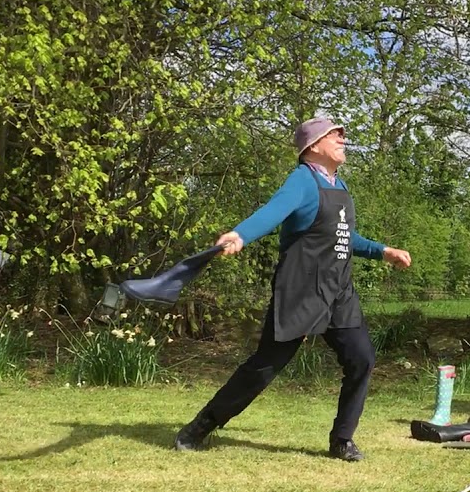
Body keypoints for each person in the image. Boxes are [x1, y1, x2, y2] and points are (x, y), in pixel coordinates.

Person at [173, 117, 412, 461]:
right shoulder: (302, 181)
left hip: (338, 291)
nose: (343, 139)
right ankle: (203, 424)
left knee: (362, 359)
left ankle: (342, 439)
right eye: (335, 135)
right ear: (313, 146)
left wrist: (382, 251)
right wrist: (240, 235)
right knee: (265, 366)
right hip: (301, 291)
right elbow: (272, 212)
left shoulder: (339, 186)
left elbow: (343, 237)